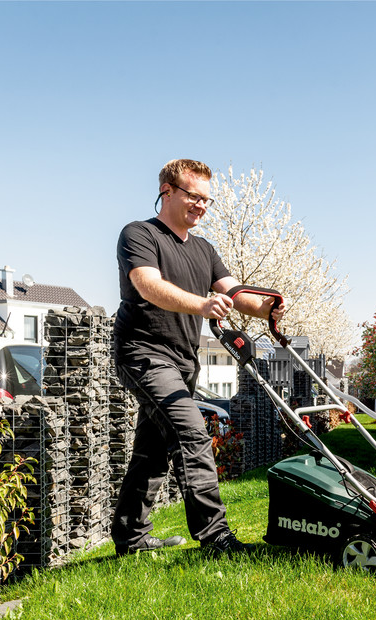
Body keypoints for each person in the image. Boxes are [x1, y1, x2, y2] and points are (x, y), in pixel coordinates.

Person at [110, 158, 282, 556]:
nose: (201, 205)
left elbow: (237, 294)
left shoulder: (204, 249)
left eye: (207, 199)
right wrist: (202, 305)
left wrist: (268, 308)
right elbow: (148, 285)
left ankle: (130, 537)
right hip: (143, 353)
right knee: (191, 434)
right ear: (167, 191)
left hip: (184, 361)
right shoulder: (139, 234)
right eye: (194, 196)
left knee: (152, 451)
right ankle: (216, 538)